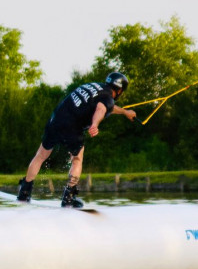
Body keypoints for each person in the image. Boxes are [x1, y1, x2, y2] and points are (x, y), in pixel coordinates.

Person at [17, 72, 136, 207]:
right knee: (77, 159)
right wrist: (95, 124)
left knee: (41, 155)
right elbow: (101, 108)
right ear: (120, 90)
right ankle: (68, 198)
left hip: (56, 119)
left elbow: (107, 106)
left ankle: (24, 192)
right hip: (71, 127)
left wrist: (126, 112)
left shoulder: (94, 86)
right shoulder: (107, 99)